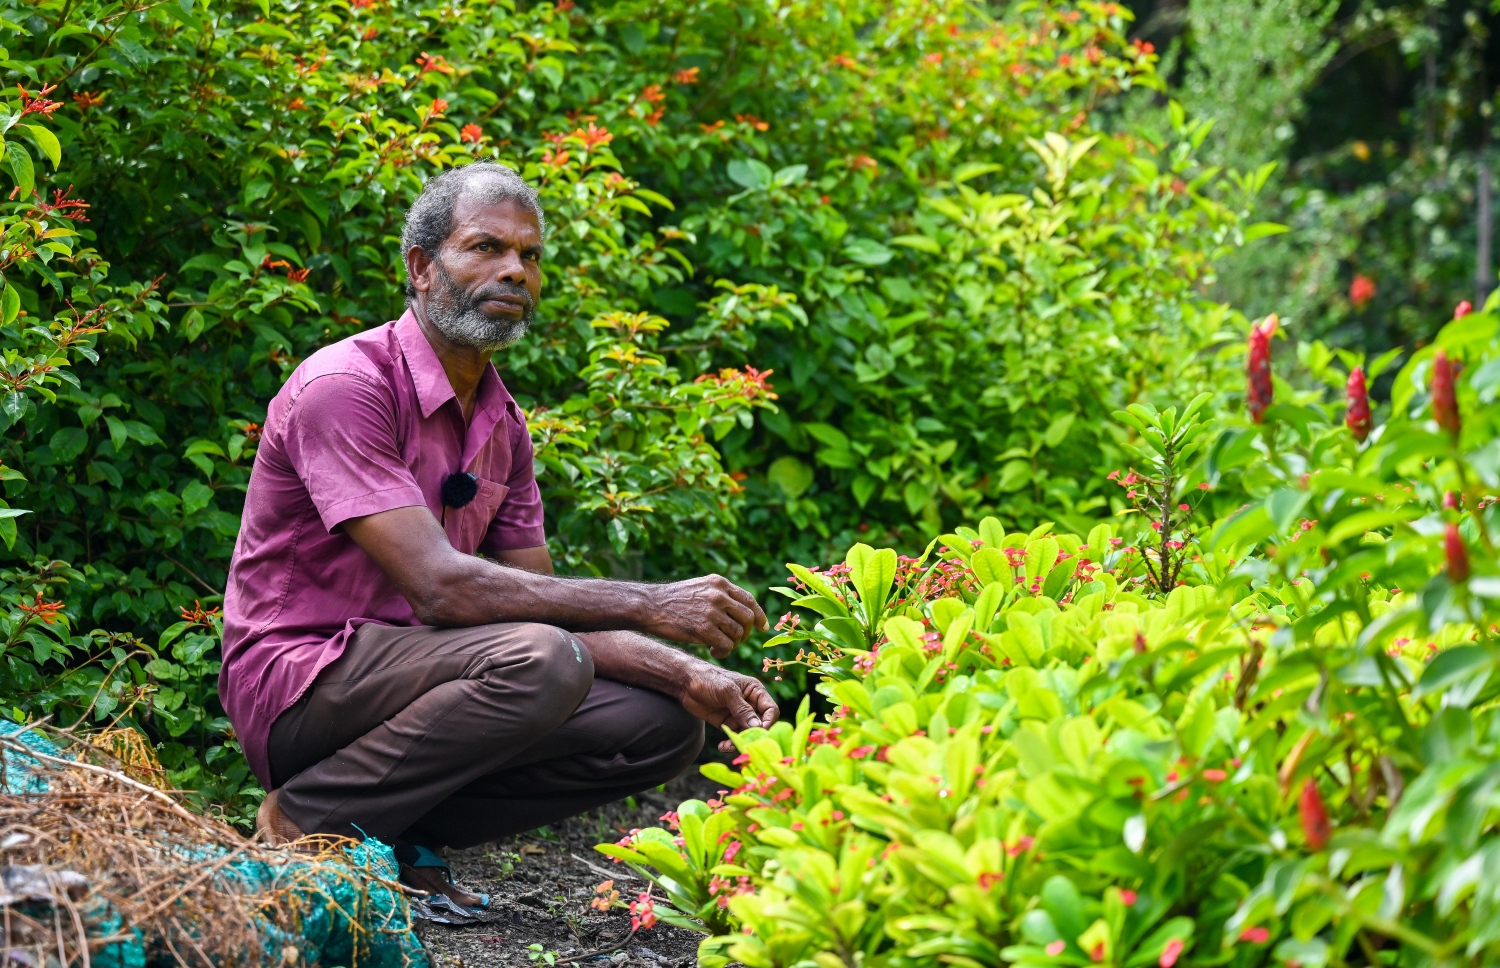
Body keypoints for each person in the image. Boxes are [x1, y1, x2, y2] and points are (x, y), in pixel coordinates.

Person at [220, 162, 779, 909]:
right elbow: (441, 587)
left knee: (662, 726)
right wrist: (651, 603)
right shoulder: (345, 387)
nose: (515, 270)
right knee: (542, 661)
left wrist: (687, 676)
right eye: (486, 247)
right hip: (301, 683)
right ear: (421, 268)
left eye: (530, 255)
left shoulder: (501, 426)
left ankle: (389, 828)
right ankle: (303, 819)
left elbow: (546, 609)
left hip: (429, 684)